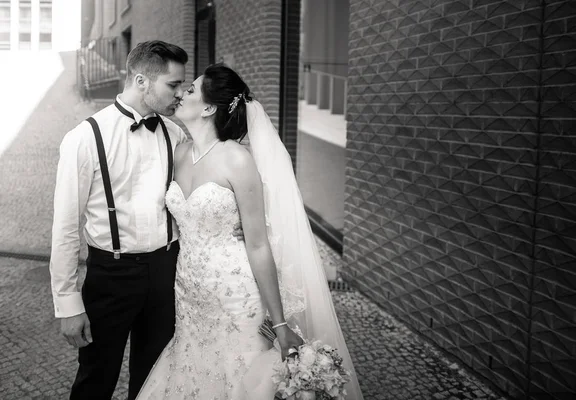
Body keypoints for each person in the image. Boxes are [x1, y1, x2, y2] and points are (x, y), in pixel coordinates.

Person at [135, 64, 364, 399]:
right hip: (188, 295)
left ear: (210, 108)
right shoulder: (180, 152)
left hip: (235, 296)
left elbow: (257, 245)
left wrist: (281, 323)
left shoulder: (238, 160)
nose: (182, 92)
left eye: (192, 89)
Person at [49, 41, 241, 400]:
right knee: (95, 378)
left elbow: (212, 178)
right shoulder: (84, 139)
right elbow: (64, 229)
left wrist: (234, 221)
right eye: (173, 85)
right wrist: (68, 303)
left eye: (184, 85)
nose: (181, 93)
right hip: (111, 275)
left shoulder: (176, 133)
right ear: (141, 81)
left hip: (167, 272)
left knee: (156, 378)